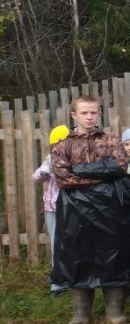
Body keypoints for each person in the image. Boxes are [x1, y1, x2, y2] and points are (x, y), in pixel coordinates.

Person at [50, 96, 130, 324]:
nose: (89, 117)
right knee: (77, 257)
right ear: (74, 115)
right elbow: (62, 177)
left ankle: (115, 312)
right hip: (73, 211)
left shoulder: (112, 141)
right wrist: (100, 175)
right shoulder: (63, 145)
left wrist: (78, 170)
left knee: (112, 256)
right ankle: (81, 314)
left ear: (99, 114)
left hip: (109, 210)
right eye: (84, 113)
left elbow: (120, 167)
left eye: (93, 113)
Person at [32, 125, 70, 294]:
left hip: (70, 207)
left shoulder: (75, 158)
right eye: (54, 145)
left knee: (72, 244)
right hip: (51, 208)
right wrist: (45, 171)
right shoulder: (49, 159)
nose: (57, 148)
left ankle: (73, 279)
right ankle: (58, 282)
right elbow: (36, 179)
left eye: (60, 144)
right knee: (56, 244)